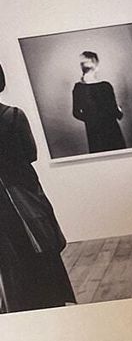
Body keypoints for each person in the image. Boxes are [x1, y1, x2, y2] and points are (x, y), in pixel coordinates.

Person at [0, 63, 76, 313]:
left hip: (9, 202)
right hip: (23, 193)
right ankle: (52, 307)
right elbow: (30, 154)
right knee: (41, 252)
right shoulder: (13, 115)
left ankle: (17, 315)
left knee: (9, 264)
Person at [72, 51, 126, 153]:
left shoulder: (78, 88)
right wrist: (119, 110)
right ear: (96, 66)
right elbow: (116, 113)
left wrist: (92, 119)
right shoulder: (106, 86)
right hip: (112, 130)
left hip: (93, 132)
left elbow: (76, 113)